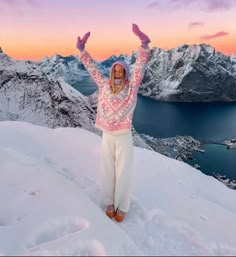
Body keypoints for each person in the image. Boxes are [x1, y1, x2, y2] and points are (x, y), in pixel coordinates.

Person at [76, 24, 150, 222]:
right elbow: (92, 68)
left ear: (125, 74)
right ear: (112, 73)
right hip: (107, 135)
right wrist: (82, 51)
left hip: (124, 135)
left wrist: (144, 44)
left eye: (121, 71)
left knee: (123, 172)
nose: (118, 74)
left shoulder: (131, 87)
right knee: (107, 169)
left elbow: (140, 68)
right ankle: (109, 201)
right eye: (115, 71)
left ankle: (122, 206)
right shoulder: (104, 85)